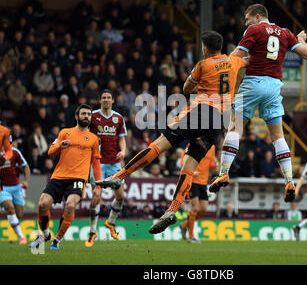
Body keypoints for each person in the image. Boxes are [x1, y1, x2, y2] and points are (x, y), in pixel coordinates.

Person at [97, 30, 248, 234]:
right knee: (188, 166)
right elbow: (249, 60)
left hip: (201, 111)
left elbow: (186, 89)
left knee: (158, 145)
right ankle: (171, 210)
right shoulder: (234, 61)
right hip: (217, 123)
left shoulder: (203, 64)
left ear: (205, 48)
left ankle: (120, 175)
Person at [209, 3, 307, 203]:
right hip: (274, 86)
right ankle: (289, 180)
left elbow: (235, 58)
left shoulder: (254, 29)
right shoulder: (285, 33)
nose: (245, 23)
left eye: (247, 19)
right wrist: (300, 40)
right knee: (277, 136)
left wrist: (224, 71)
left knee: (234, 128)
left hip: (253, 82)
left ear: (257, 16)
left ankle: (223, 173)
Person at [30, 104, 101, 250]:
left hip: (78, 179)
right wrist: (60, 146)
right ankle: (44, 234)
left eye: (89, 114)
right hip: (59, 176)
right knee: (42, 204)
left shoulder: (94, 139)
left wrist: (97, 186)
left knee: (70, 205)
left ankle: (57, 239)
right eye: (83, 114)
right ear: (77, 116)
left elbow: (96, 164)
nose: (86, 116)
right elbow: (50, 152)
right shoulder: (65, 132)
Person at [85, 89, 127, 247]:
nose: (106, 100)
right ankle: (92, 232)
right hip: (97, 163)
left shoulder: (118, 118)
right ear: (100, 100)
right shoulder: (93, 116)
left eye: (109, 98)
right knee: (96, 196)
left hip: (114, 163)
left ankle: (110, 223)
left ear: (113, 100)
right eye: (104, 98)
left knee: (121, 197)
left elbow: (122, 139)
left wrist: (123, 151)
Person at [179, 145, 216, 243]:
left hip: (203, 182)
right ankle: (191, 236)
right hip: (192, 180)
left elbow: (210, 162)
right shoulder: (192, 144)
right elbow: (182, 160)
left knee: (203, 209)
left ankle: (185, 225)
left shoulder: (212, 147)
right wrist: (191, 170)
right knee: (195, 208)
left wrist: (214, 165)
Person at [0, 146, 30, 244]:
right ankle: (22, 237)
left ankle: (12, 222)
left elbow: (25, 166)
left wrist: (26, 181)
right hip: (2, 187)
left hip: (16, 187)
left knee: (19, 214)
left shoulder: (15, 152)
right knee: (9, 207)